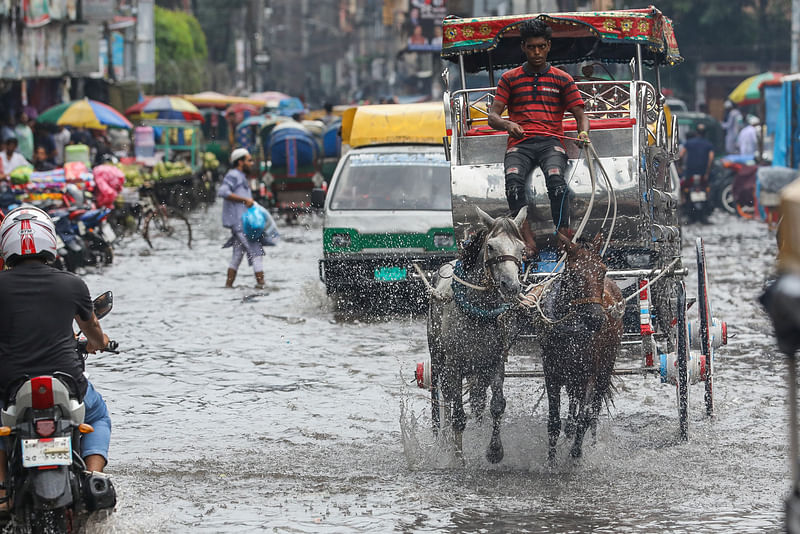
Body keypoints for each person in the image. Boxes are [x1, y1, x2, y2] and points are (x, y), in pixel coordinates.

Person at [0, 206, 114, 505]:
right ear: (49, 240)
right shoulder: (72, 283)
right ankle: (94, 477)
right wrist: (100, 343)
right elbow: (94, 333)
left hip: (10, 385)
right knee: (98, 414)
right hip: (67, 380)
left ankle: (1, 489)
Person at [487, 18, 589, 255]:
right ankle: (527, 241)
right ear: (523, 47)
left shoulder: (563, 79)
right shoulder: (509, 78)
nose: (536, 52)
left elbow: (580, 115)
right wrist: (507, 123)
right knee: (513, 186)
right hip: (519, 145)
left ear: (548, 46)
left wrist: (583, 132)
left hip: (551, 143)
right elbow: (493, 116)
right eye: (531, 47)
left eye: (541, 46)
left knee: (556, 183)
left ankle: (563, 238)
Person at [218, 148, 267, 289]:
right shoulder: (233, 174)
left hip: (241, 223)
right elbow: (223, 192)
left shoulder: (240, 176)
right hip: (240, 224)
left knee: (237, 256)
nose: (252, 163)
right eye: (249, 160)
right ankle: (261, 286)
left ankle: (228, 286)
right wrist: (244, 199)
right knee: (256, 252)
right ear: (240, 162)